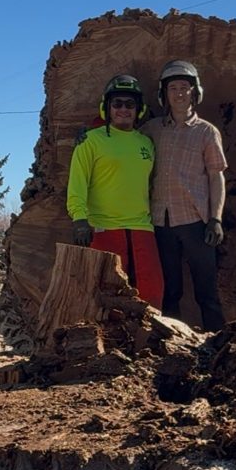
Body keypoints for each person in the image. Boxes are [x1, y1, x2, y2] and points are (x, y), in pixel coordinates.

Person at [142, 60, 227, 332]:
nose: (179, 93)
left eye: (184, 87)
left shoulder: (206, 131)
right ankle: (171, 341)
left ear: (195, 92)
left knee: (206, 291)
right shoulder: (152, 130)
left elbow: (216, 176)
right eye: (173, 88)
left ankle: (218, 341)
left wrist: (215, 219)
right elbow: (122, 136)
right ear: (164, 94)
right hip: (160, 222)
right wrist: (89, 131)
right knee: (169, 290)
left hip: (196, 222)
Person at [66, 74, 164, 310]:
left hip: (142, 228)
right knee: (106, 296)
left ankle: (149, 333)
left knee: (152, 291)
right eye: (117, 103)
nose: (123, 109)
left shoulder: (146, 143)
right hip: (104, 228)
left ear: (139, 109)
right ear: (107, 108)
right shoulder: (90, 140)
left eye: (130, 104)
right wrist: (79, 219)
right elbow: (77, 182)